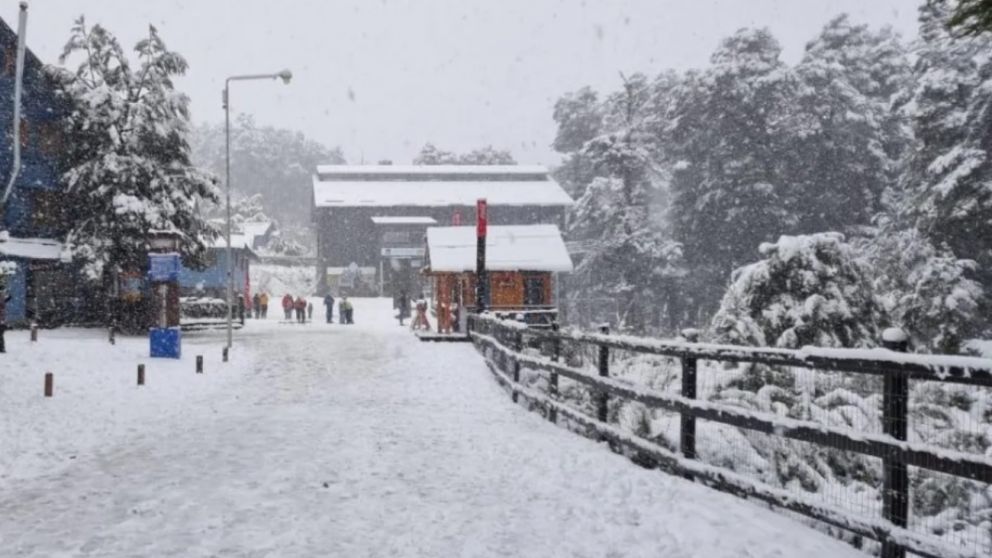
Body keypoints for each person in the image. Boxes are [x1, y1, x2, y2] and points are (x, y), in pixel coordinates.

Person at [0, 285, 9, 353]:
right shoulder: (2, 298)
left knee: (0, 335)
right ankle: (2, 348)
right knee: (1, 335)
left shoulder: (2, 298)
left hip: (1, 321)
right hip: (2, 321)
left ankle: (2, 348)